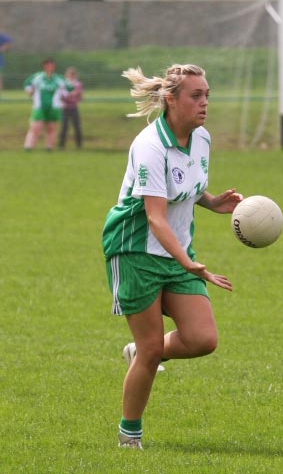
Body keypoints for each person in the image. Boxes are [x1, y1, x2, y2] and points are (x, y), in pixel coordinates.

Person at [102, 63, 243, 450]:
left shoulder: (202, 139)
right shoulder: (149, 145)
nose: (204, 104)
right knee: (150, 351)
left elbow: (188, 186)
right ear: (171, 100)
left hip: (176, 250)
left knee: (202, 339)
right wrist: (187, 263)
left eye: (207, 96)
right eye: (196, 96)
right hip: (135, 250)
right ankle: (129, 437)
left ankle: (142, 348)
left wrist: (214, 202)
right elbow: (154, 216)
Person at [23, 58, 72, 151]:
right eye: (48, 65)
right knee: (35, 127)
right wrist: (30, 92)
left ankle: (49, 148)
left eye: (52, 65)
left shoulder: (59, 78)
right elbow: (27, 85)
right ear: (44, 66)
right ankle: (28, 148)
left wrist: (64, 96)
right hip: (39, 106)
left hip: (54, 107)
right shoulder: (37, 77)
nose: (50, 67)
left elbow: (68, 88)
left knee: (51, 128)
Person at [59, 67, 83, 149]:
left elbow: (80, 96)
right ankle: (61, 145)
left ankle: (79, 145)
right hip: (64, 107)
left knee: (77, 127)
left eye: (73, 74)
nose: (71, 75)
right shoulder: (63, 84)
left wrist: (76, 96)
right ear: (66, 75)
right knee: (64, 127)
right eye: (70, 74)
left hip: (74, 107)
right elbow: (60, 95)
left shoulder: (78, 84)